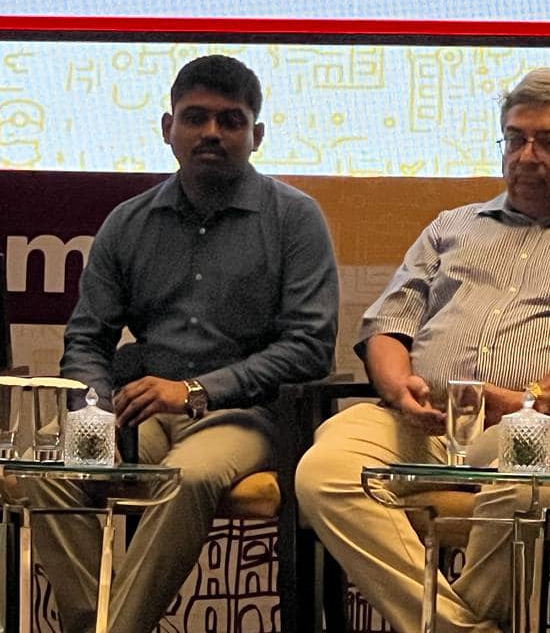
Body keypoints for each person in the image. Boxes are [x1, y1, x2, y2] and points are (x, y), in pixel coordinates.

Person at [295, 68, 550, 633]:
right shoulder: (453, 225)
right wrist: (398, 389)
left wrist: (529, 401)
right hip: (427, 416)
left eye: (549, 141)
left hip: (542, 420)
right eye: (515, 139)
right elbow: (388, 325)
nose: (526, 156)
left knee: (524, 473)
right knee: (325, 471)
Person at [33, 55, 340, 633]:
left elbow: (310, 347)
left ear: (257, 135)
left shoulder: (295, 218)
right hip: (139, 408)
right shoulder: (128, 222)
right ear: (167, 127)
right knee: (48, 467)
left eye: (231, 120)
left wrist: (197, 391)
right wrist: (93, 412)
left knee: (186, 477)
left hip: (247, 414)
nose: (211, 133)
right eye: (195, 117)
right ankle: (100, 622)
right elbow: (88, 337)